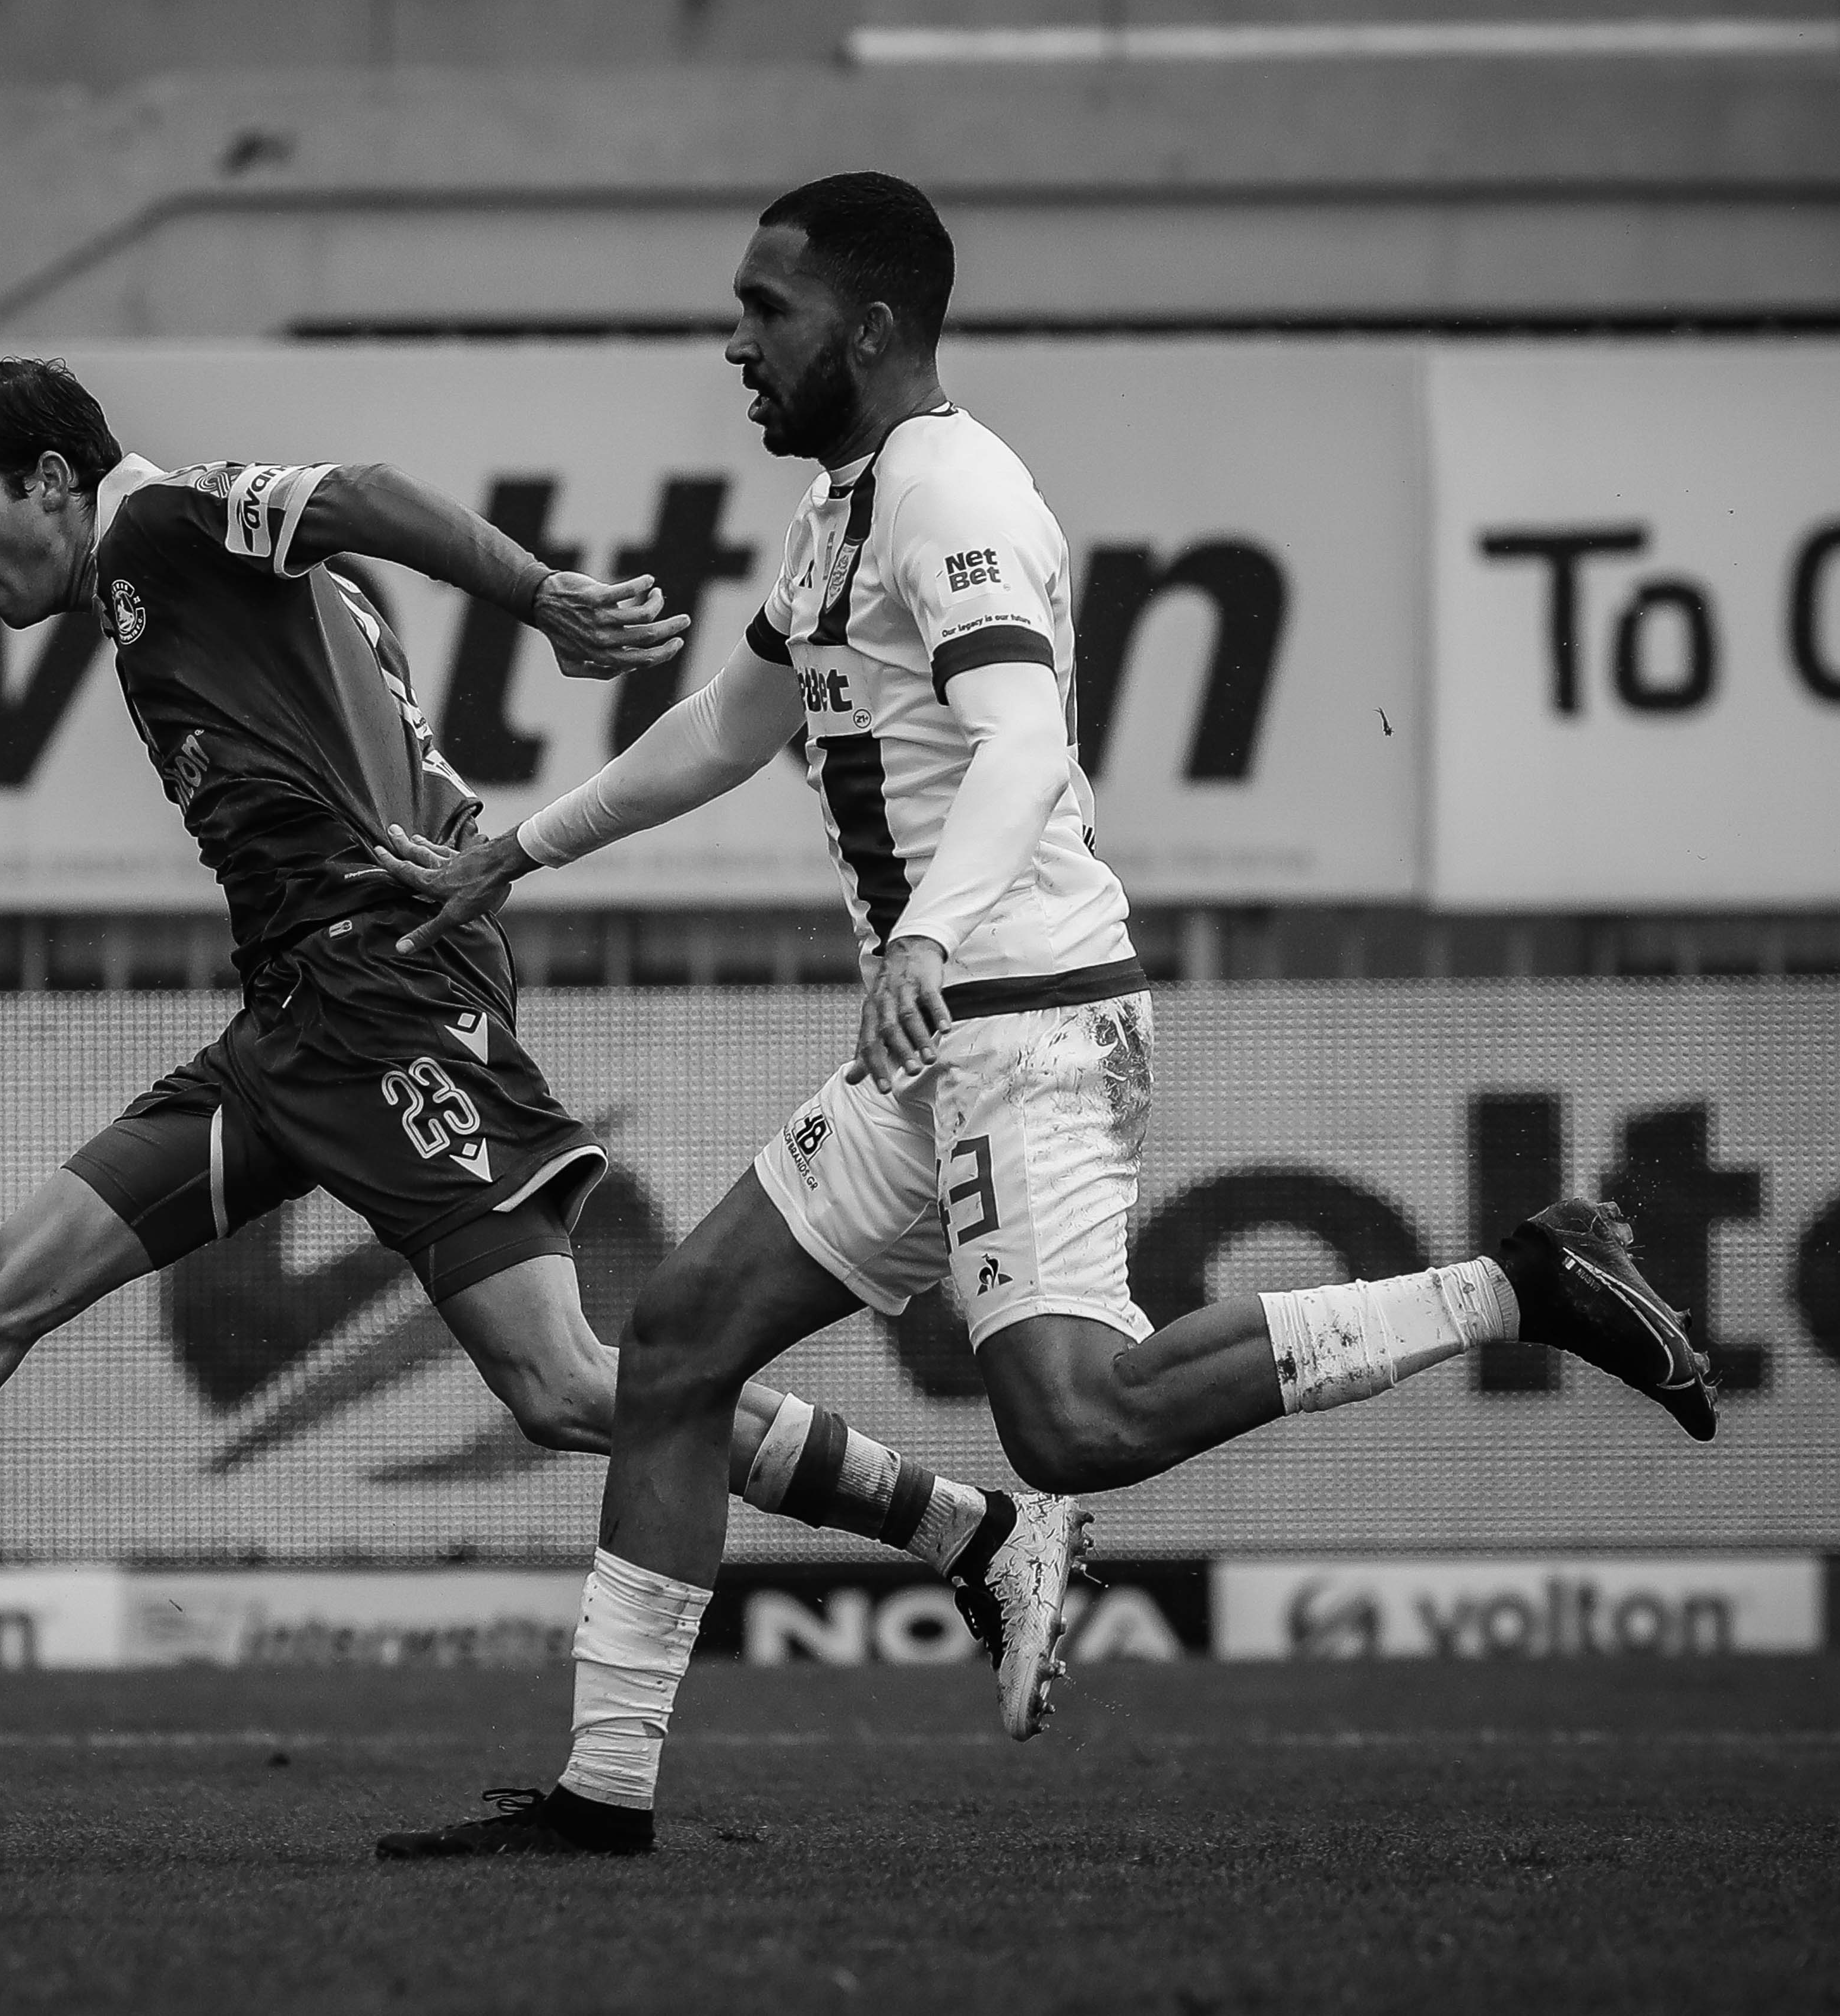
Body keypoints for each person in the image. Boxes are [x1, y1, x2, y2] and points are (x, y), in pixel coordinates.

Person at [370, 173, 1718, 1859]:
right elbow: (730, 725)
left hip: (1022, 1023)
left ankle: (1517, 1283)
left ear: (866, 328)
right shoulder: (842, 504)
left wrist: (923, 938)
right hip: (932, 1039)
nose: (734, 341)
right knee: (675, 1349)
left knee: (1076, 1421)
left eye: (763, 310)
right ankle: (602, 1796)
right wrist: (518, 849)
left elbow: (1018, 741)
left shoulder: (954, 492)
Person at [0, 352, 1027, 1665]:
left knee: (565, 1386)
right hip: (295, 1020)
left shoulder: (158, 523)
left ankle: (965, 1528)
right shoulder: (159, 583)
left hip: (384, 1004)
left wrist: (540, 594)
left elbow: (352, 492)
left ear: (46, 478)